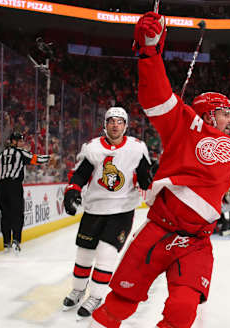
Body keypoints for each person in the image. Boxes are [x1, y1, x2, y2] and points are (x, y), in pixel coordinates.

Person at [89, 11, 230, 328]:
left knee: (183, 310)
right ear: (208, 113)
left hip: (197, 241)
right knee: (120, 303)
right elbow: (156, 95)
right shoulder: (184, 123)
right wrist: (149, 51)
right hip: (158, 230)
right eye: (226, 113)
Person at [62, 107, 154, 320]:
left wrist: (151, 178)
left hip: (121, 211)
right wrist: (72, 192)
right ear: (105, 124)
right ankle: (78, 290)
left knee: (106, 254)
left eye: (120, 121)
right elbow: (80, 175)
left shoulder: (137, 148)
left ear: (126, 125)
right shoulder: (92, 148)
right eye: (111, 121)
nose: (115, 125)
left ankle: (95, 296)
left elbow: (144, 177)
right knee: (84, 254)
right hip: (94, 210)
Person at [0, 132, 50, 253]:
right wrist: (49, 158)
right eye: (20, 141)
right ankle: (16, 241)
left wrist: (3, 175)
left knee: (5, 214)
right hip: (14, 185)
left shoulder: (1, 154)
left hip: (1, 186)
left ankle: (6, 242)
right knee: (17, 213)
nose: (22, 143)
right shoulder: (20, 152)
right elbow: (35, 159)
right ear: (13, 141)